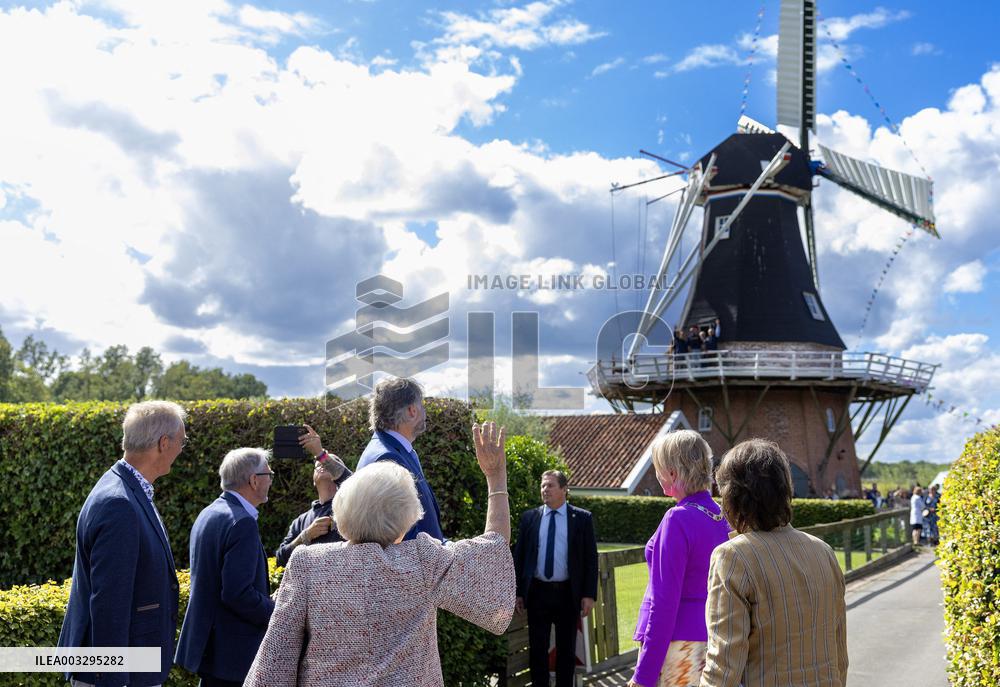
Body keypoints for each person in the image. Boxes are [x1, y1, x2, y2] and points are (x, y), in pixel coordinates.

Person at [244, 422, 515, 686]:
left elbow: (274, 663)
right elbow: (493, 550)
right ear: (407, 518)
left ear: (342, 510)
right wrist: (496, 477)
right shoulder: (423, 559)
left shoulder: (307, 563)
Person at [58, 401, 186, 687]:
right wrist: (112, 679)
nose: (182, 449)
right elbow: (108, 602)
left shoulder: (125, 489)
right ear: (163, 443)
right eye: (182, 441)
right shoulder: (120, 502)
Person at [700, 439, 847, 687]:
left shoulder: (733, 557)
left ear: (733, 498)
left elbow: (724, 665)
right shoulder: (824, 552)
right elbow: (838, 650)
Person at [628, 430, 731, 687]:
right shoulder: (723, 517)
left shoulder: (677, 519)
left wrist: (644, 675)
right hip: (716, 640)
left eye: (659, 468)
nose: (657, 475)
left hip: (678, 645)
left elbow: (664, 604)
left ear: (672, 473)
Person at [175, 448, 276, 687]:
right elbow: (237, 593)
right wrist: (276, 611)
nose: (271, 479)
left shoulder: (209, 513)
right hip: (234, 655)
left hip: (213, 651)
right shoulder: (242, 523)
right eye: (269, 473)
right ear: (254, 480)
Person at [514, 470, 599, 687]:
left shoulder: (581, 519)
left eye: (550, 485)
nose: (545, 490)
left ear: (564, 489)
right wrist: (518, 593)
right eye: (543, 485)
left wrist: (589, 594)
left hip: (567, 593)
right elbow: (519, 558)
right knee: (538, 650)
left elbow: (590, 558)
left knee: (566, 650)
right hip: (537, 593)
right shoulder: (529, 518)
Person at [357, 376, 445, 541]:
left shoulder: (392, 450)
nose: (425, 412)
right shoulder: (388, 458)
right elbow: (403, 536)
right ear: (412, 410)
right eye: (422, 405)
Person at [274, 424, 352, 567]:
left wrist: (321, 455)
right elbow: (280, 560)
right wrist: (305, 536)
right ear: (313, 480)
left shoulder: (349, 507)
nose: (323, 464)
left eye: (329, 463)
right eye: (319, 464)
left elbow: (355, 485)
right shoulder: (300, 521)